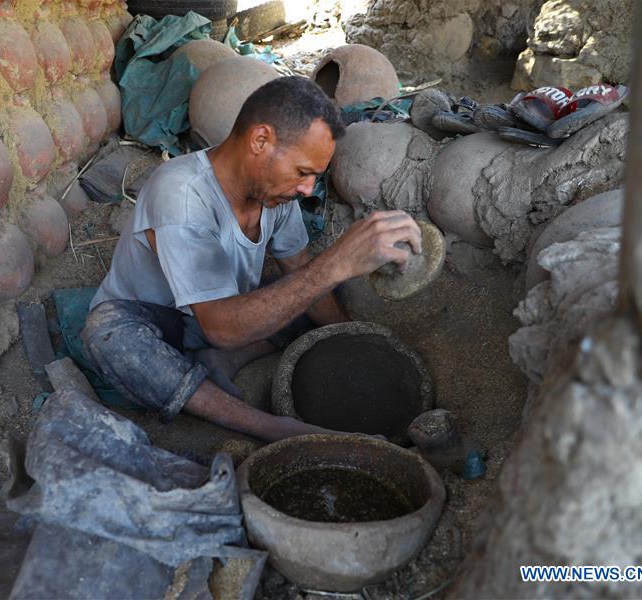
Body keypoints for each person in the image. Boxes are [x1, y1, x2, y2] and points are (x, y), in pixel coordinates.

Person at [81, 76, 422, 442]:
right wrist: (334, 264)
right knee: (107, 337)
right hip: (157, 324)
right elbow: (222, 328)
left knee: (307, 291)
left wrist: (354, 340)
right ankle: (272, 427)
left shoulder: (275, 193)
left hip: (223, 314)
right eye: (303, 172)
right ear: (260, 141)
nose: (308, 189)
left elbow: (299, 270)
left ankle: (224, 361)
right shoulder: (180, 197)